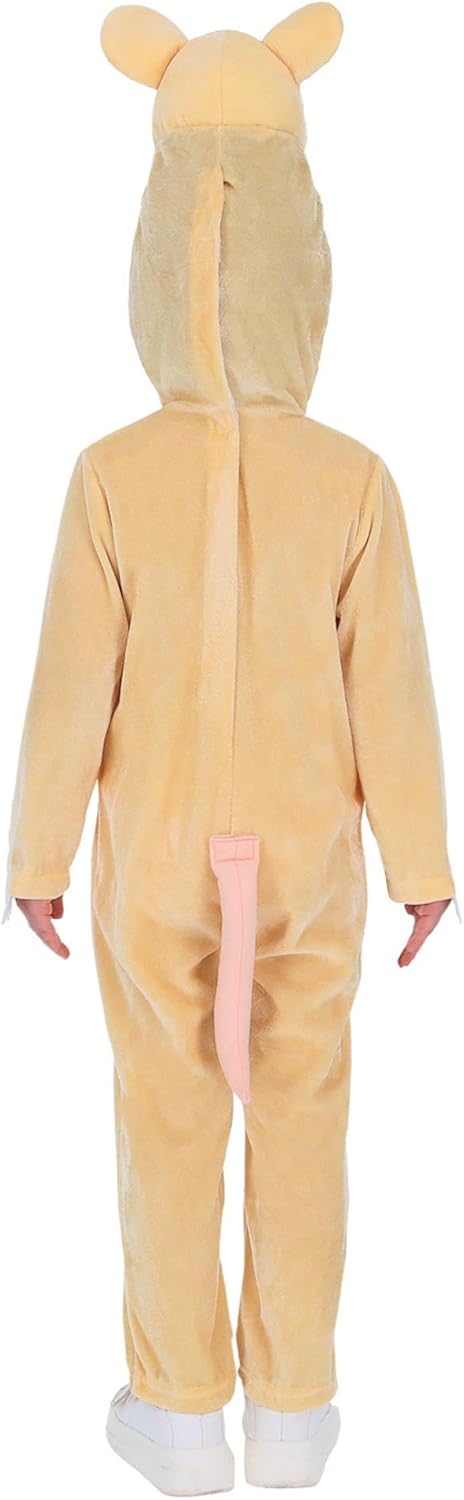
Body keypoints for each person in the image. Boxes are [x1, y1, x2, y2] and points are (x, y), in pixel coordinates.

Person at [2, 5, 460, 1493]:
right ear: (301, 259)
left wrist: (37, 852)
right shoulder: (357, 479)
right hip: (312, 860)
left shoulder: (109, 475)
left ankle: (180, 1411)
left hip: (152, 864)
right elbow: (392, 686)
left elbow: (69, 685)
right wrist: (422, 862)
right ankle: (296, 1415)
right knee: (307, 1111)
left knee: (166, 1109)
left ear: (155, 251)